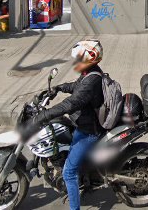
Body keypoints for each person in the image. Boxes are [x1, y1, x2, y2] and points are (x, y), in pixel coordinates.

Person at [23, 40, 105, 210]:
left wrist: (43, 115)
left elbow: (71, 103)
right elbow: (76, 86)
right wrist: (59, 88)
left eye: (79, 58)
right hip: (81, 122)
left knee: (68, 172)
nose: (76, 62)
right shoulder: (89, 73)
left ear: (89, 59)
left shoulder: (92, 80)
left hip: (88, 131)